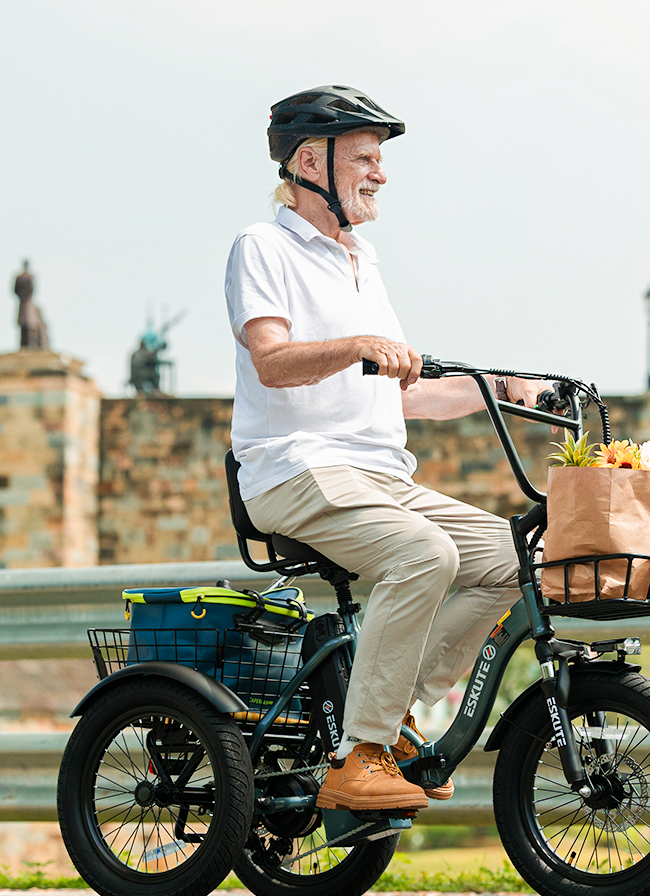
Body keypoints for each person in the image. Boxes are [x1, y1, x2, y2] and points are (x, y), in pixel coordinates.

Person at [226, 86, 553, 812]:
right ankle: (358, 754)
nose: (380, 173)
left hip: (377, 475)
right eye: (366, 158)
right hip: (296, 468)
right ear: (312, 161)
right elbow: (273, 361)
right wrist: (357, 346)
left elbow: (400, 394)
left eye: (380, 159)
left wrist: (502, 389)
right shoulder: (264, 247)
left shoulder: (362, 262)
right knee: (424, 555)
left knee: (507, 560)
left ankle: (392, 715)